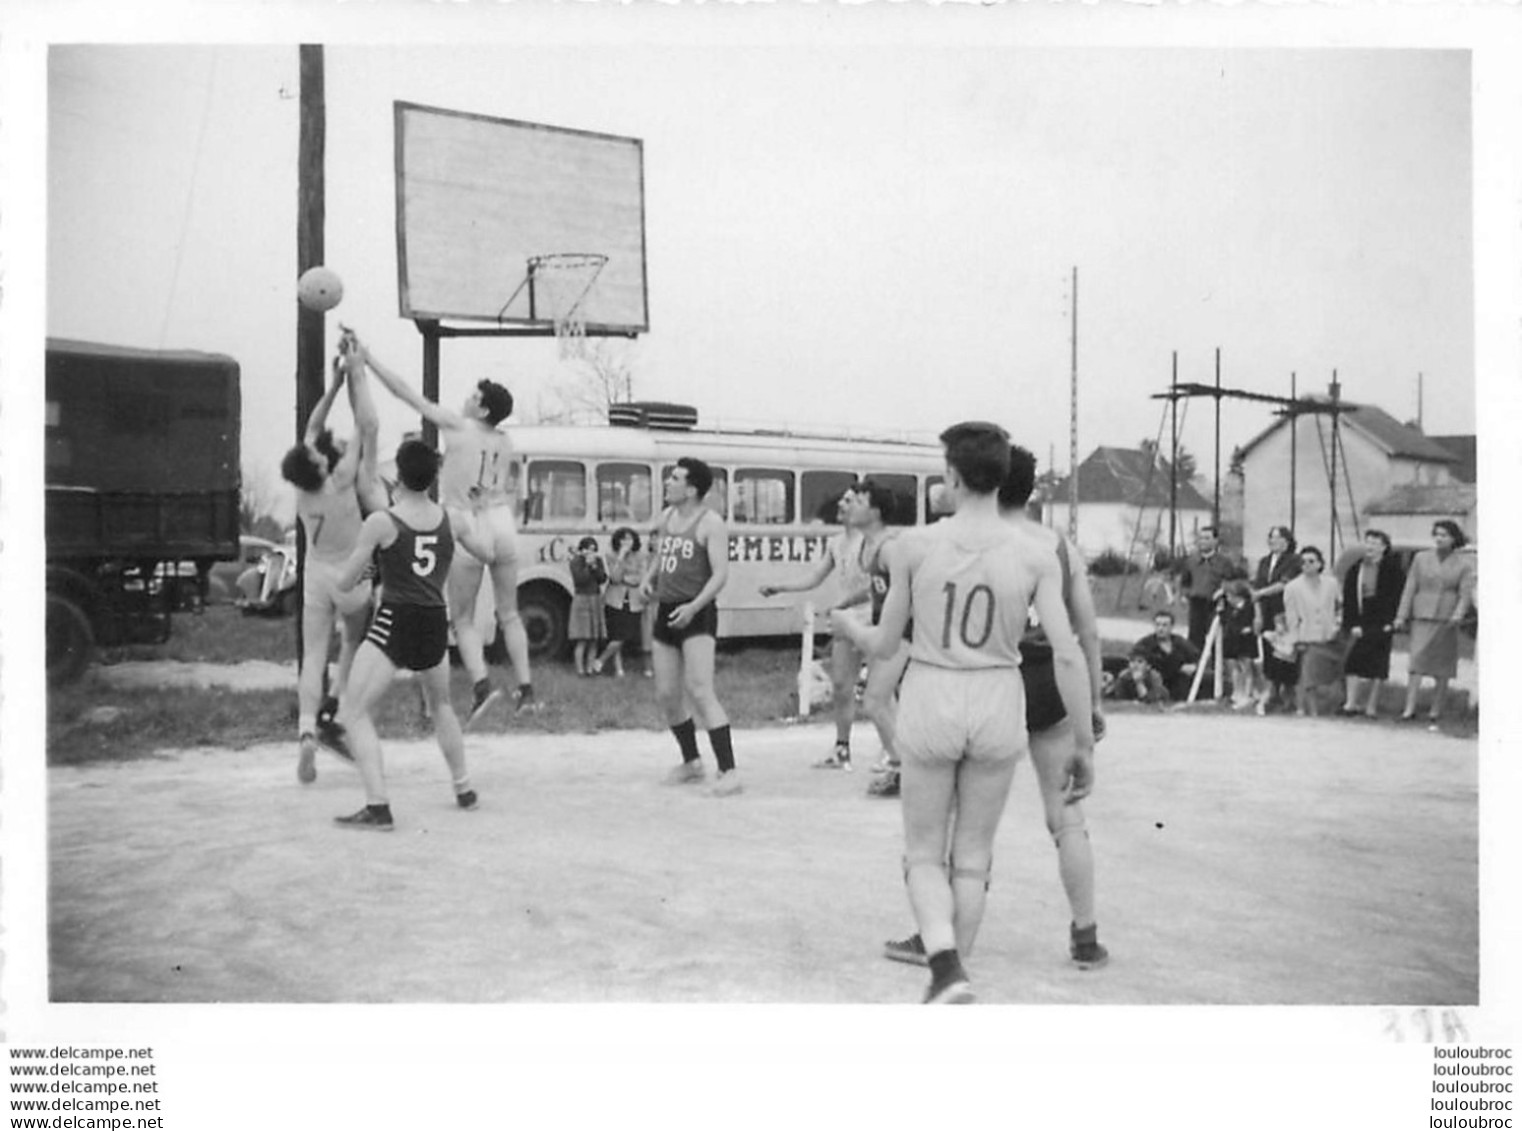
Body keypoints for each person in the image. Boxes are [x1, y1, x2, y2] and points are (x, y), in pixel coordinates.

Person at [835, 422, 1094, 1005]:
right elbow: (1070, 652)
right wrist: (1084, 741)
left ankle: (945, 963)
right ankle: (957, 974)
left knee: (924, 851)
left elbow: (883, 644)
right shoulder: (1036, 554)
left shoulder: (912, 547)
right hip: (1000, 694)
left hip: (933, 689)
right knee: (973, 857)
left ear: (951, 476)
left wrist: (847, 623)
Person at [345, 332, 539, 724]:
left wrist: (369, 360)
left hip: (467, 518)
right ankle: (526, 690)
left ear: (482, 410)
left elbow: (406, 393)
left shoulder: (458, 426)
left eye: (474, 396)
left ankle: (482, 683)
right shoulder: (505, 439)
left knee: (463, 618)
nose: (467, 398)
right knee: (510, 613)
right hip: (500, 517)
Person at [331, 439, 476, 831]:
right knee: (441, 705)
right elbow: (486, 550)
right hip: (433, 618)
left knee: (354, 711)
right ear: (434, 477)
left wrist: (361, 568)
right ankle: (463, 788)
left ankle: (378, 806)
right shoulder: (453, 519)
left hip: (396, 618)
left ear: (398, 476)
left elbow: (345, 582)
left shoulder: (382, 521)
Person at [278, 350, 373, 784]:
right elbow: (365, 426)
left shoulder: (304, 492)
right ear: (319, 467)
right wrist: (354, 375)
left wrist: (332, 383)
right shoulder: (341, 481)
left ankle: (307, 730)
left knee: (313, 655)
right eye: (317, 454)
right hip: (351, 573)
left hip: (315, 575)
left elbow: (314, 429)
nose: (318, 450)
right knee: (354, 639)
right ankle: (336, 704)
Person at [642, 458, 741, 797]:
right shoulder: (669, 517)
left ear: (693, 489)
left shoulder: (711, 523)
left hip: (696, 612)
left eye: (675, 478)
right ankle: (692, 762)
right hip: (667, 610)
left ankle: (729, 771)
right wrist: (648, 578)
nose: (668, 483)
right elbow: (663, 552)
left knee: (700, 690)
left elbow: (720, 574)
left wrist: (694, 606)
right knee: (667, 695)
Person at [759, 488, 871, 770]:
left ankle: (893, 751)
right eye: (842, 499)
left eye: (849, 501)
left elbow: (877, 586)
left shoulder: (871, 543)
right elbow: (815, 577)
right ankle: (842, 748)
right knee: (842, 686)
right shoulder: (836, 544)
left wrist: (844, 603)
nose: (841, 505)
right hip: (846, 622)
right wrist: (780, 587)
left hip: (872, 620)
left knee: (882, 691)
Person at [847, 480, 912, 798]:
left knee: (874, 701)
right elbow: (877, 587)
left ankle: (904, 768)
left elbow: (907, 590)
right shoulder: (868, 545)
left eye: (859, 500)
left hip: (901, 631)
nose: (850, 505)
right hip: (883, 628)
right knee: (884, 702)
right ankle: (903, 764)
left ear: (875, 511)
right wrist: (844, 605)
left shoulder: (889, 547)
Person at [1392, 520, 1476, 725]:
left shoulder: (1464, 563)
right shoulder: (1421, 558)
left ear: (1454, 538)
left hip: (1446, 618)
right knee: (1416, 662)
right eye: (1437, 534)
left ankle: (1435, 710)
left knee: (1442, 665)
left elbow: (1465, 594)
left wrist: (1458, 614)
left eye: (1444, 535)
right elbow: (1410, 587)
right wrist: (1401, 615)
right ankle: (1409, 708)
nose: (1439, 538)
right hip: (1422, 615)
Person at [1338, 530, 1407, 718]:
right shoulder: (1356, 568)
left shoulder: (1394, 570)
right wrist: (1352, 623)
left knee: (1379, 665)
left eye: (1375, 543)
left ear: (1384, 547)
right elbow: (1349, 599)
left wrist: (1391, 622)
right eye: (1368, 542)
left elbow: (1397, 598)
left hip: (1383, 620)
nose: (1370, 546)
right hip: (1361, 618)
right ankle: (1351, 703)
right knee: (1352, 662)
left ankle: (1371, 706)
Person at [1283, 545, 1341, 717]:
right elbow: (1291, 616)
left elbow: (1339, 607)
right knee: (1308, 675)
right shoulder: (1293, 587)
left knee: (1328, 675)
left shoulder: (1331, 583)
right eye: (1303, 561)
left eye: (1311, 561)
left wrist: (1337, 625)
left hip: (1328, 635)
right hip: (1306, 635)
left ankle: (1329, 708)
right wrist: (1295, 638)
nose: (1307, 564)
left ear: (1320, 563)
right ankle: (1307, 709)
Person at [1251, 526, 1301, 713]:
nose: (1273, 541)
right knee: (1268, 650)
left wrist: (1261, 592)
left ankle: (1288, 693)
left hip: (1285, 610)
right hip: (1266, 610)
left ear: (1287, 541)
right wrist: (1257, 614)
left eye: (1278, 538)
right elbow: (1257, 587)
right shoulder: (1264, 561)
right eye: (1271, 538)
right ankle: (1272, 691)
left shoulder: (1294, 560)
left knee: (1286, 652)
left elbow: (1284, 583)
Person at [1175, 525, 1246, 652]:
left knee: (1217, 637)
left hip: (1216, 604)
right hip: (1196, 604)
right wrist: (1186, 595)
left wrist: (1224, 591)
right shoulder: (1191, 561)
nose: (1203, 541)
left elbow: (1233, 582)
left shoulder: (1224, 562)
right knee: (1195, 638)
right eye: (1201, 538)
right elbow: (1185, 582)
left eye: (1207, 538)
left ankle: (1215, 666)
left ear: (1215, 541)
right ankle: (1197, 665)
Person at [594, 527, 649, 679]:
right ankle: (618, 669)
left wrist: (628, 579)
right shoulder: (611, 555)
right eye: (623, 539)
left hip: (634, 600)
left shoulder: (641, 555)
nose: (626, 542)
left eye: (629, 539)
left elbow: (641, 578)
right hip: (614, 599)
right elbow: (615, 578)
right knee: (615, 635)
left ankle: (600, 660)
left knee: (625, 635)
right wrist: (621, 557)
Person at [1131, 610, 1201, 702]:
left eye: (1164, 625)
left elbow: (1198, 656)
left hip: (1180, 681)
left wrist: (1195, 666)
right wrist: (1179, 668)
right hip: (1155, 681)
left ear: (1171, 627)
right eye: (1158, 625)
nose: (1160, 628)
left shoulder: (1179, 642)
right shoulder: (1145, 644)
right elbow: (1142, 662)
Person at [568, 535, 608, 676]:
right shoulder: (575, 562)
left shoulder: (598, 561)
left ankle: (590, 668)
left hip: (595, 598)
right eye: (588, 549)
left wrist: (595, 566)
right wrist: (587, 566)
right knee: (582, 638)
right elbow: (580, 580)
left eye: (594, 550)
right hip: (582, 599)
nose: (591, 552)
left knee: (594, 638)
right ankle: (580, 669)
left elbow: (602, 578)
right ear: (582, 549)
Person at [1218, 579, 1260, 709]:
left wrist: (1248, 629)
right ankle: (1237, 693)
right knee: (1233, 668)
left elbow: (1252, 623)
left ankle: (1248, 694)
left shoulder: (1249, 607)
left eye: (1230, 595)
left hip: (1245, 641)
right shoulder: (1228, 609)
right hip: (1232, 640)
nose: (1228, 598)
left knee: (1247, 667)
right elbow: (1224, 620)